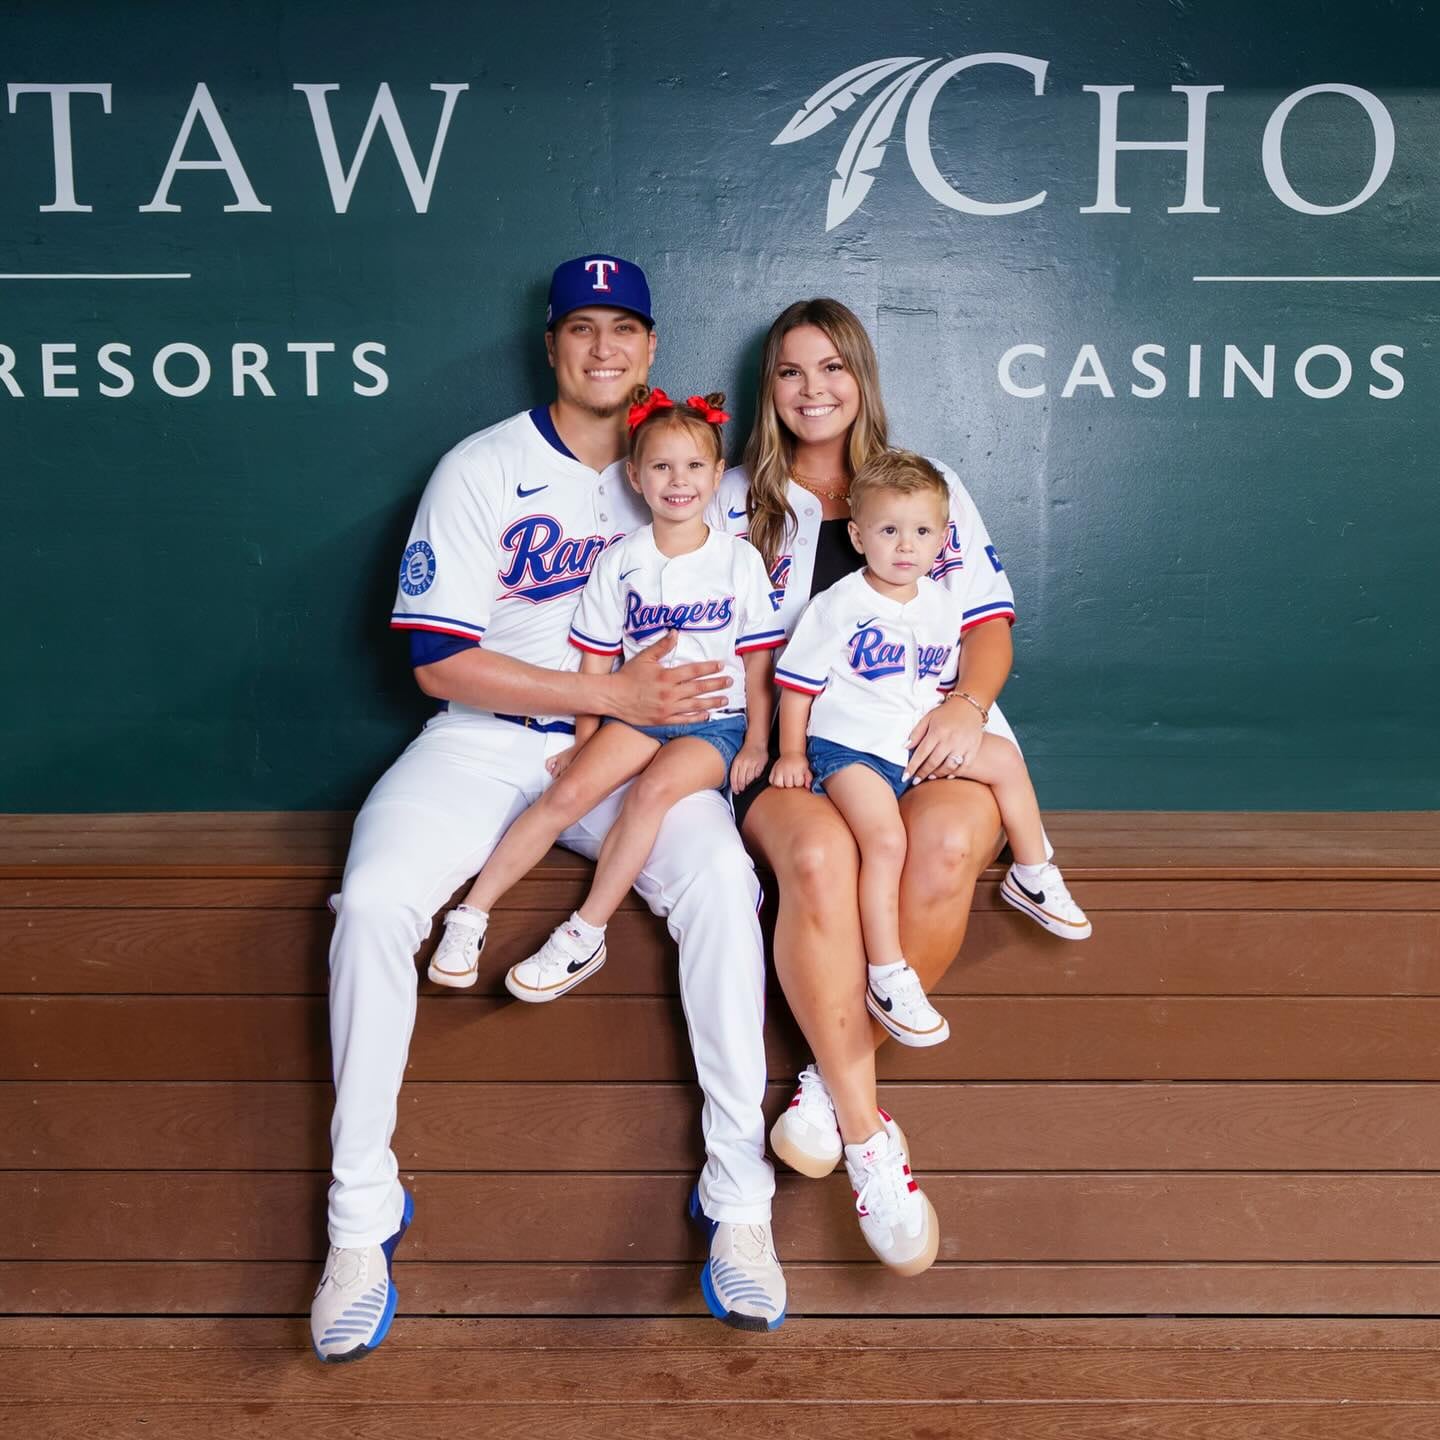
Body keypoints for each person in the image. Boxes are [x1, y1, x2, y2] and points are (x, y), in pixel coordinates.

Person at [310, 256, 785, 1363]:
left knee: (720, 883)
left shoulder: (698, 476)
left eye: (625, 329)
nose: (604, 348)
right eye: (583, 328)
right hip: (488, 744)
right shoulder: (482, 467)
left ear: (653, 349)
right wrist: (601, 692)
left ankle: (741, 1202)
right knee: (376, 901)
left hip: (648, 751)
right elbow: (437, 662)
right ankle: (356, 1219)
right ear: (552, 344)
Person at [719, 298, 1026, 1278]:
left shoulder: (922, 486)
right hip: (792, 748)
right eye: (790, 371)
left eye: (832, 367)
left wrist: (969, 709)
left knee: (939, 845)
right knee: (821, 854)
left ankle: (823, 1081)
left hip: (926, 729)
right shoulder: (730, 496)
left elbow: (986, 625)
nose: (814, 389)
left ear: (863, 376)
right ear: (767, 390)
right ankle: (866, 1140)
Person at [425, 386, 783, 1001]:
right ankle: (471, 916)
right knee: (566, 794)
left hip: (713, 723)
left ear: (718, 476)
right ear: (636, 478)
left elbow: (757, 661)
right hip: (637, 716)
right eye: (662, 466)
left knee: (651, 795)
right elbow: (597, 661)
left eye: (695, 466)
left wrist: (754, 741)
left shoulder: (738, 560)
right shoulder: (621, 559)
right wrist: (583, 742)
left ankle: (584, 932)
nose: (679, 480)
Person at [770, 448, 1091, 1044]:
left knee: (1003, 758)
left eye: (920, 532)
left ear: (943, 540)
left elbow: (941, 685)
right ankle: (888, 971)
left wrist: (955, 722)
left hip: (910, 747)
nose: (904, 546)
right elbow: (797, 686)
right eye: (889, 531)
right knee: (885, 842)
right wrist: (791, 754)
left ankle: (1032, 869)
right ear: (860, 537)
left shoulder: (944, 606)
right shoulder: (839, 604)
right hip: (850, 751)